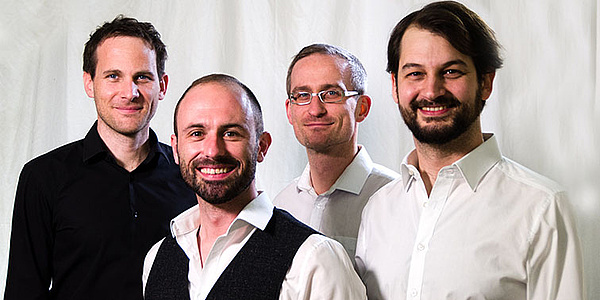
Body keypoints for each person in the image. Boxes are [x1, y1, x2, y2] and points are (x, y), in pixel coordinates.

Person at [355, 1, 584, 299]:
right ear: (395, 86)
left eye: (451, 71)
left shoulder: (541, 208)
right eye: (415, 74)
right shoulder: (377, 210)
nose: (432, 91)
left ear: (486, 82)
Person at [4, 16, 196, 300]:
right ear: (89, 83)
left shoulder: (191, 176)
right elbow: (24, 291)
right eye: (113, 76)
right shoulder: (44, 177)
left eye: (142, 77)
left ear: (162, 86)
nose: (129, 93)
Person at [142, 74, 366, 299]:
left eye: (231, 133)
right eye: (197, 134)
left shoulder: (315, 261)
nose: (212, 150)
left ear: (262, 146)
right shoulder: (157, 258)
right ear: (176, 149)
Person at [273, 43, 399, 258]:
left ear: (362, 107)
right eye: (303, 95)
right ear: (290, 111)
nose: (315, 110)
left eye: (331, 93)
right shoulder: (282, 206)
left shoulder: (396, 200)